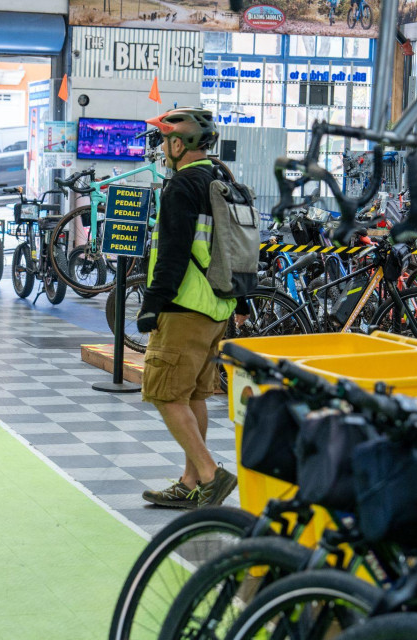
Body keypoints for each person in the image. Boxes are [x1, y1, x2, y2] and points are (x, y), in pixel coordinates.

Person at [135, 107, 247, 509]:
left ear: (178, 144)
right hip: (218, 307)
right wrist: (243, 303)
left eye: (164, 140)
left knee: (165, 393)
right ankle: (191, 482)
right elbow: (240, 249)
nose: (162, 148)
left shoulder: (181, 186)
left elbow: (173, 253)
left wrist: (152, 304)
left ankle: (210, 474)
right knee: (194, 395)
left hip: (185, 308)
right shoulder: (224, 180)